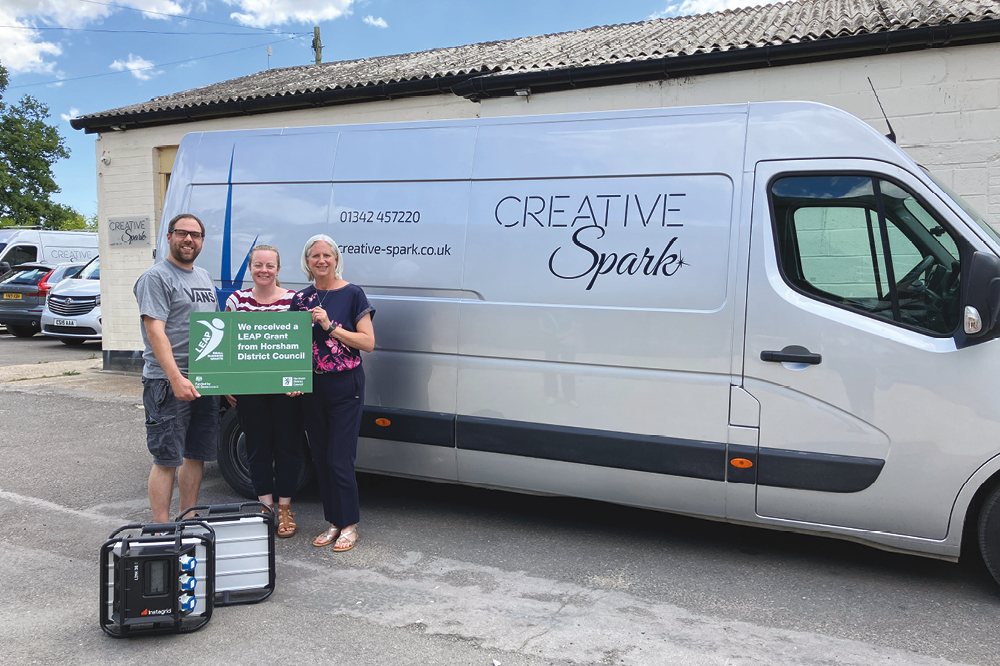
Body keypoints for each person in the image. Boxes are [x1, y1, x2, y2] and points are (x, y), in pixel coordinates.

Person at [290, 234, 375, 552]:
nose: (321, 260)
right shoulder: (300, 300)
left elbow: (367, 342)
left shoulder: (353, 294)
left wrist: (330, 326)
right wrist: (293, 379)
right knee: (322, 456)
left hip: (345, 383)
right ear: (307, 262)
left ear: (337, 259)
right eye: (315, 256)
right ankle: (333, 522)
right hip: (313, 385)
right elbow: (293, 346)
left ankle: (349, 524)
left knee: (340, 457)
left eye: (327, 255)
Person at [134, 213, 220, 523]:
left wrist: (225, 381)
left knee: (195, 454)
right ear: (169, 237)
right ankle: (161, 529)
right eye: (182, 233)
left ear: (201, 241)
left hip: (203, 380)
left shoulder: (203, 277)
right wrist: (176, 379)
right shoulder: (156, 278)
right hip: (167, 382)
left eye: (195, 235)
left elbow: (216, 328)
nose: (189, 239)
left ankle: (189, 518)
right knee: (166, 458)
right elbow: (156, 332)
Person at [224, 244, 303, 537]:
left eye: (270, 266)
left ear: (278, 270)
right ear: (250, 268)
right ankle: (265, 508)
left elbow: (303, 345)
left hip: (286, 393)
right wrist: (227, 383)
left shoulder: (295, 300)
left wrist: (298, 380)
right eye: (258, 265)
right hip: (249, 390)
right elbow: (227, 345)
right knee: (257, 449)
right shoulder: (236, 300)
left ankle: (284, 510)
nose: (264, 271)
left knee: (287, 449)